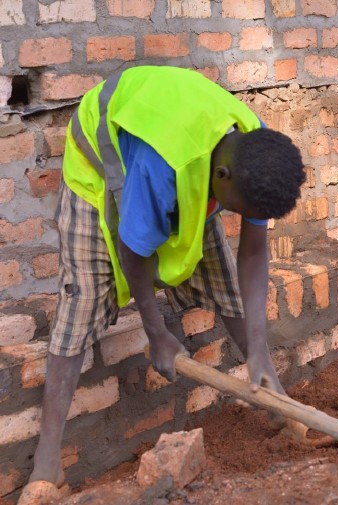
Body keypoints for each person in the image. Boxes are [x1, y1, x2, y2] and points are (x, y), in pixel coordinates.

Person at [18, 65, 306, 504]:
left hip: (184, 158)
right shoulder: (163, 167)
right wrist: (158, 335)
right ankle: (47, 462)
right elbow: (132, 251)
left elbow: (252, 254)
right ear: (222, 177)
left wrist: (260, 348)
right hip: (101, 160)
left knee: (223, 280)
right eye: (235, 210)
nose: (233, 217)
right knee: (83, 299)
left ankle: (275, 399)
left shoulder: (256, 152)